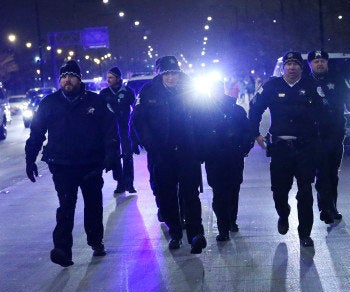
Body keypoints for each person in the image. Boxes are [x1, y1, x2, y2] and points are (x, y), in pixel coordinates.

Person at [25, 60, 120, 267]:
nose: (67, 80)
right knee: (66, 206)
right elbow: (36, 134)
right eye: (64, 77)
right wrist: (30, 159)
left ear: (79, 79)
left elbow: (110, 130)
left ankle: (95, 240)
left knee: (93, 205)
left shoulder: (95, 102)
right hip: (62, 165)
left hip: (90, 164)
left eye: (72, 76)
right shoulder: (49, 103)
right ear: (60, 81)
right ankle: (62, 250)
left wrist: (111, 154)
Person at [130, 55, 207, 254]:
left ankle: (196, 234)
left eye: (174, 73)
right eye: (167, 73)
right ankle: (175, 233)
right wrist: (150, 144)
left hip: (187, 151)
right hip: (161, 153)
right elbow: (138, 120)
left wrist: (202, 145)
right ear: (159, 74)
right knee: (167, 195)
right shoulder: (148, 92)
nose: (171, 77)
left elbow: (204, 119)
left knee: (190, 194)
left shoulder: (191, 90)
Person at [249, 52, 323, 247]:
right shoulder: (271, 86)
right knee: (279, 191)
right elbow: (255, 109)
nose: (292, 67)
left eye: (295, 64)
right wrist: (255, 133)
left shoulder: (311, 86)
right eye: (288, 64)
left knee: (305, 192)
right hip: (280, 148)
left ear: (301, 67)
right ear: (283, 67)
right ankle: (283, 213)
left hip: (305, 148)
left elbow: (324, 112)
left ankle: (304, 233)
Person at [307, 50, 350, 225]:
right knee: (322, 172)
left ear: (327, 63)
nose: (319, 64)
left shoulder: (337, 80)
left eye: (322, 61)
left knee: (332, 173)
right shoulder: (305, 83)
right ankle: (325, 208)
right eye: (316, 61)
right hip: (315, 136)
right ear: (311, 64)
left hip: (335, 134)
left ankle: (332, 206)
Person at [197, 80, 253, 241]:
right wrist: (203, 152)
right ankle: (223, 227)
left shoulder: (236, 110)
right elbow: (199, 133)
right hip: (214, 158)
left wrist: (242, 148)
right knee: (219, 192)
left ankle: (231, 221)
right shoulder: (203, 112)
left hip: (233, 156)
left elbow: (246, 131)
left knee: (233, 190)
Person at [100, 66, 138, 194]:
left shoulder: (128, 91)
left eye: (111, 77)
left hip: (124, 128)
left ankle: (129, 183)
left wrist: (134, 127)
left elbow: (135, 109)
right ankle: (120, 183)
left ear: (118, 78)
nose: (109, 80)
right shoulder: (104, 93)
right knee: (115, 156)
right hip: (111, 131)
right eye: (108, 77)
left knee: (127, 155)